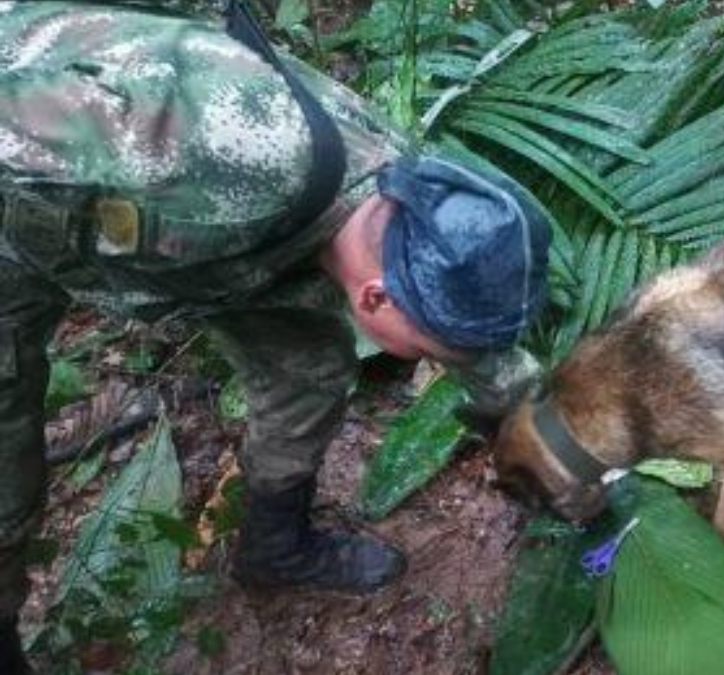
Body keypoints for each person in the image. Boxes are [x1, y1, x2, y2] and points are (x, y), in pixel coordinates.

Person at [0, 2, 550, 671]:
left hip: (211, 249)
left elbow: (472, 337)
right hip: (23, 205)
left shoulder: (406, 199)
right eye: (434, 349)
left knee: (309, 368)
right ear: (374, 296)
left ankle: (273, 547)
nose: (440, 360)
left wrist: (553, 430)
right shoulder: (222, 161)